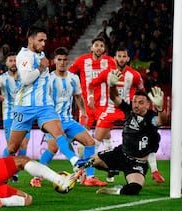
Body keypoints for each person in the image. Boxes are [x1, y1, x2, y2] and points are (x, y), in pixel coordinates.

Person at [4, 26, 87, 175]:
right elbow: (26, 79)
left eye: (45, 40)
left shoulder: (41, 54)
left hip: (44, 106)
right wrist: (42, 67)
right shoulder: (24, 56)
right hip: (25, 107)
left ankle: (74, 161)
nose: (43, 43)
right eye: (40, 40)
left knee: (58, 132)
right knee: (12, 148)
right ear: (30, 40)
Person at [88, 46, 165, 183]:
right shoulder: (107, 73)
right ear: (115, 58)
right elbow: (92, 85)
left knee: (148, 133)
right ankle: (89, 174)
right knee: (97, 139)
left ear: (128, 58)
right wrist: (91, 97)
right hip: (112, 108)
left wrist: (153, 105)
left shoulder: (134, 75)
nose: (122, 59)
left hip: (131, 109)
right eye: (119, 56)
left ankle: (154, 170)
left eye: (124, 56)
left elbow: (142, 92)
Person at [30, 47, 99, 187]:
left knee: (90, 142)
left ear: (68, 61)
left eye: (64, 60)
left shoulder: (74, 78)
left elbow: (78, 97)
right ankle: (37, 177)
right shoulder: (48, 79)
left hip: (68, 120)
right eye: (59, 59)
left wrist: (84, 112)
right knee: (53, 148)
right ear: (54, 61)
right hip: (52, 120)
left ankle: (89, 177)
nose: (62, 62)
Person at [91, 82, 167, 195]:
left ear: (148, 105)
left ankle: (115, 190)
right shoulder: (128, 111)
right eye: (135, 102)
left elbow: (161, 121)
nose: (136, 105)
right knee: (93, 161)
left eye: (141, 103)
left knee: (134, 188)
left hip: (137, 162)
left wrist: (160, 108)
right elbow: (114, 97)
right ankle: (113, 169)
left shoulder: (151, 118)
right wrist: (112, 85)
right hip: (121, 153)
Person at [68, 37, 116, 186]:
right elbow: (68, 74)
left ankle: (109, 168)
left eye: (101, 46)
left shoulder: (110, 61)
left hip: (104, 105)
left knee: (106, 135)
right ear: (92, 47)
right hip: (87, 107)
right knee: (84, 138)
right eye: (96, 45)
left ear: (104, 49)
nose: (99, 48)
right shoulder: (82, 60)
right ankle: (84, 170)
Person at [0, 52, 30, 182]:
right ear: (6, 63)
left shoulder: (26, 77)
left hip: (24, 115)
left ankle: (15, 173)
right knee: (12, 147)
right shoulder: (2, 78)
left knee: (24, 145)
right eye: (11, 61)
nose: (13, 63)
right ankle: (3, 170)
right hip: (9, 116)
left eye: (15, 60)